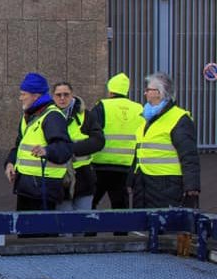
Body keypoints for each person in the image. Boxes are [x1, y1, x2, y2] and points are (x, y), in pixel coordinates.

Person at [4, 73, 73, 211]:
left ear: (36, 96)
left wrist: (46, 151)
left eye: (24, 94)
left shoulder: (52, 116)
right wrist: (10, 162)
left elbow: (64, 149)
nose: (20, 98)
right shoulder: (29, 116)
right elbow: (19, 145)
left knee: (41, 232)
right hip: (27, 187)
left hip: (44, 190)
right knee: (25, 231)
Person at [131, 72, 200, 209]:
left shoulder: (179, 119)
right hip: (145, 182)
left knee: (167, 226)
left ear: (159, 93)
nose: (145, 93)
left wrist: (192, 187)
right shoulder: (147, 117)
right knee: (147, 225)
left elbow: (189, 156)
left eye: (148, 90)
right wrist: (131, 180)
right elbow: (140, 151)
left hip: (167, 184)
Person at [91, 73, 144, 209]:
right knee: (120, 205)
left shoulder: (102, 106)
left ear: (110, 91)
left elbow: (91, 131)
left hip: (100, 164)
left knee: (91, 203)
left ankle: (89, 230)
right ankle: (121, 231)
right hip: (125, 165)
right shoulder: (139, 109)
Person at [52, 82, 104, 211]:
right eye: (58, 95)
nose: (62, 98)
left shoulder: (85, 115)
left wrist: (71, 149)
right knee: (64, 224)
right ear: (53, 97)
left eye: (66, 94)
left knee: (83, 221)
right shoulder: (48, 116)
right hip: (59, 177)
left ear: (72, 95)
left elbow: (99, 140)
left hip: (83, 176)